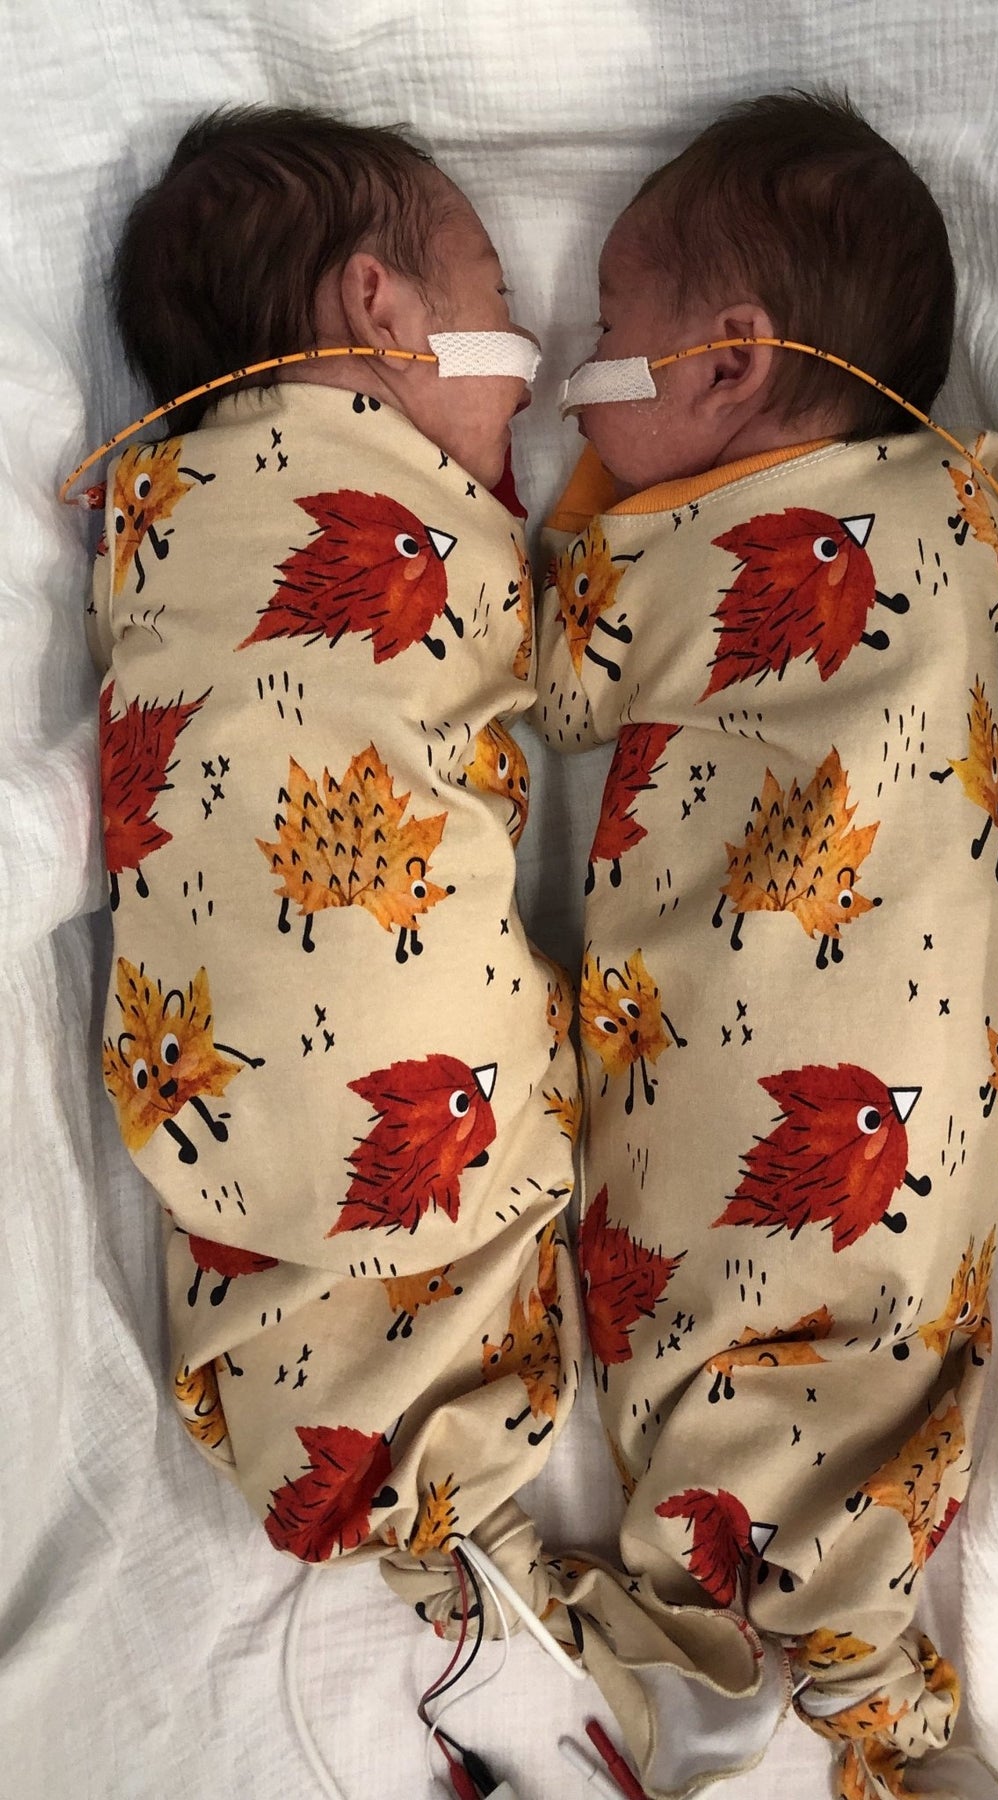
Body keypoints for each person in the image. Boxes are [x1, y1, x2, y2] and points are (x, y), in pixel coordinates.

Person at [536, 88, 998, 1799]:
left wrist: (592, 491)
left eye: (605, 336)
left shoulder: (693, 549)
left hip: (783, 1037)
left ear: (730, 362)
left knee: (724, 1294)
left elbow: (549, 676)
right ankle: (858, 1679)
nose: (571, 379)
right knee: (884, 1336)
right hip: (949, 1058)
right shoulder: (954, 509)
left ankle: (734, 1624)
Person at [87, 103, 585, 1640]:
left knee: (286, 1204)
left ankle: (365, 1462)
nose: (535, 352)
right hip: (408, 1017)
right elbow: (568, 681)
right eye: (499, 295)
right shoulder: (419, 529)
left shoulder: (157, 513)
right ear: (382, 306)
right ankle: (430, 1485)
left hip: (205, 1063)